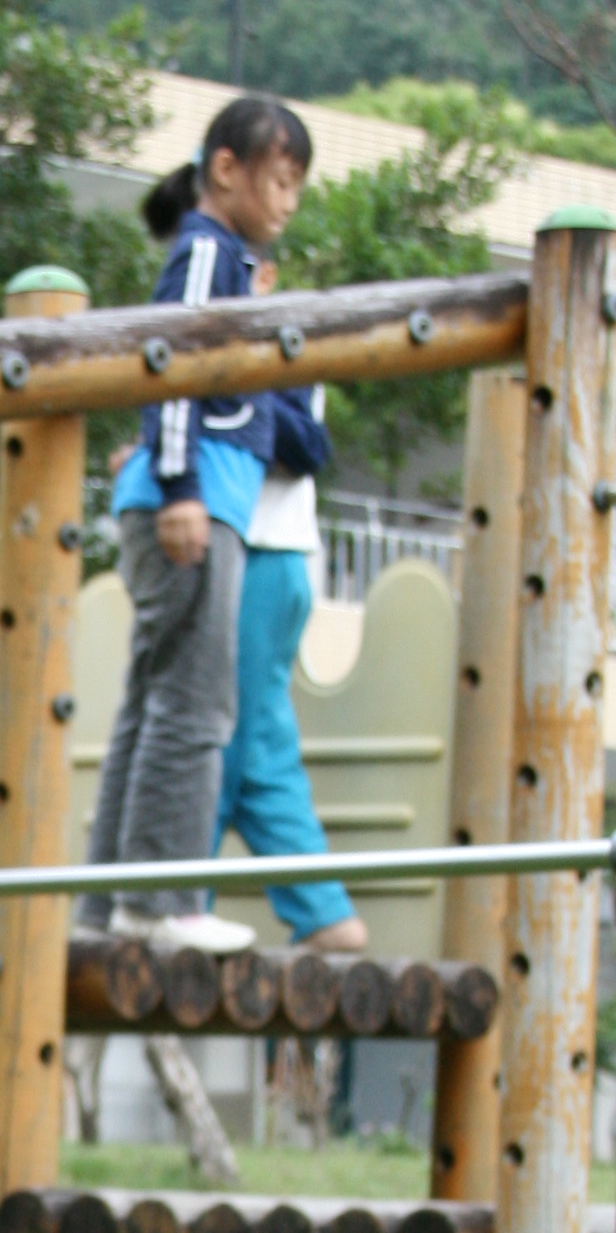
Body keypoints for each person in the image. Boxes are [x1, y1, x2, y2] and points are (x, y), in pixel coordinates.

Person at [81, 94, 313, 949]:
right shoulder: (211, 255)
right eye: (280, 182)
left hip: (192, 494)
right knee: (194, 707)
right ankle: (164, 902)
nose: (288, 203)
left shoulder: (222, 259)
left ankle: (108, 904)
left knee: (153, 704)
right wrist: (179, 485)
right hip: (193, 501)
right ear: (227, 170)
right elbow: (168, 368)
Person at [216, 367, 370, 954]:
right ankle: (322, 908)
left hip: (261, 550)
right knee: (255, 745)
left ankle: (177, 897)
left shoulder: (272, 354)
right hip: (253, 550)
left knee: (213, 733)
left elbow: (302, 447)